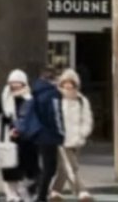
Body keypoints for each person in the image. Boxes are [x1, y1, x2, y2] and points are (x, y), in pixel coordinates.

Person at [22, 70, 65, 202]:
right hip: (50, 135)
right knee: (50, 168)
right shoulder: (53, 94)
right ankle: (40, 194)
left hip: (39, 134)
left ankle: (38, 191)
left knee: (48, 166)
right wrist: (62, 133)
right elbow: (56, 116)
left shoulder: (36, 92)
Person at [51, 70, 93, 202]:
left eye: (71, 83)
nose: (68, 86)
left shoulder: (82, 100)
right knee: (72, 167)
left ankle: (55, 191)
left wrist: (83, 134)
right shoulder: (57, 99)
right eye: (66, 83)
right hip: (62, 140)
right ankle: (82, 192)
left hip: (77, 139)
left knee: (64, 168)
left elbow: (87, 119)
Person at [0, 69, 36, 202]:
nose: (15, 86)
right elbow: (3, 115)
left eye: (18, 83)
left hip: (26, 138)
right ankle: (11, 194)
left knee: (26, 167)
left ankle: (22, 192)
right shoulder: (6, 96)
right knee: (9, 167)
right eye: (12, 83)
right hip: (8, 138)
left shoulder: (29, 99)